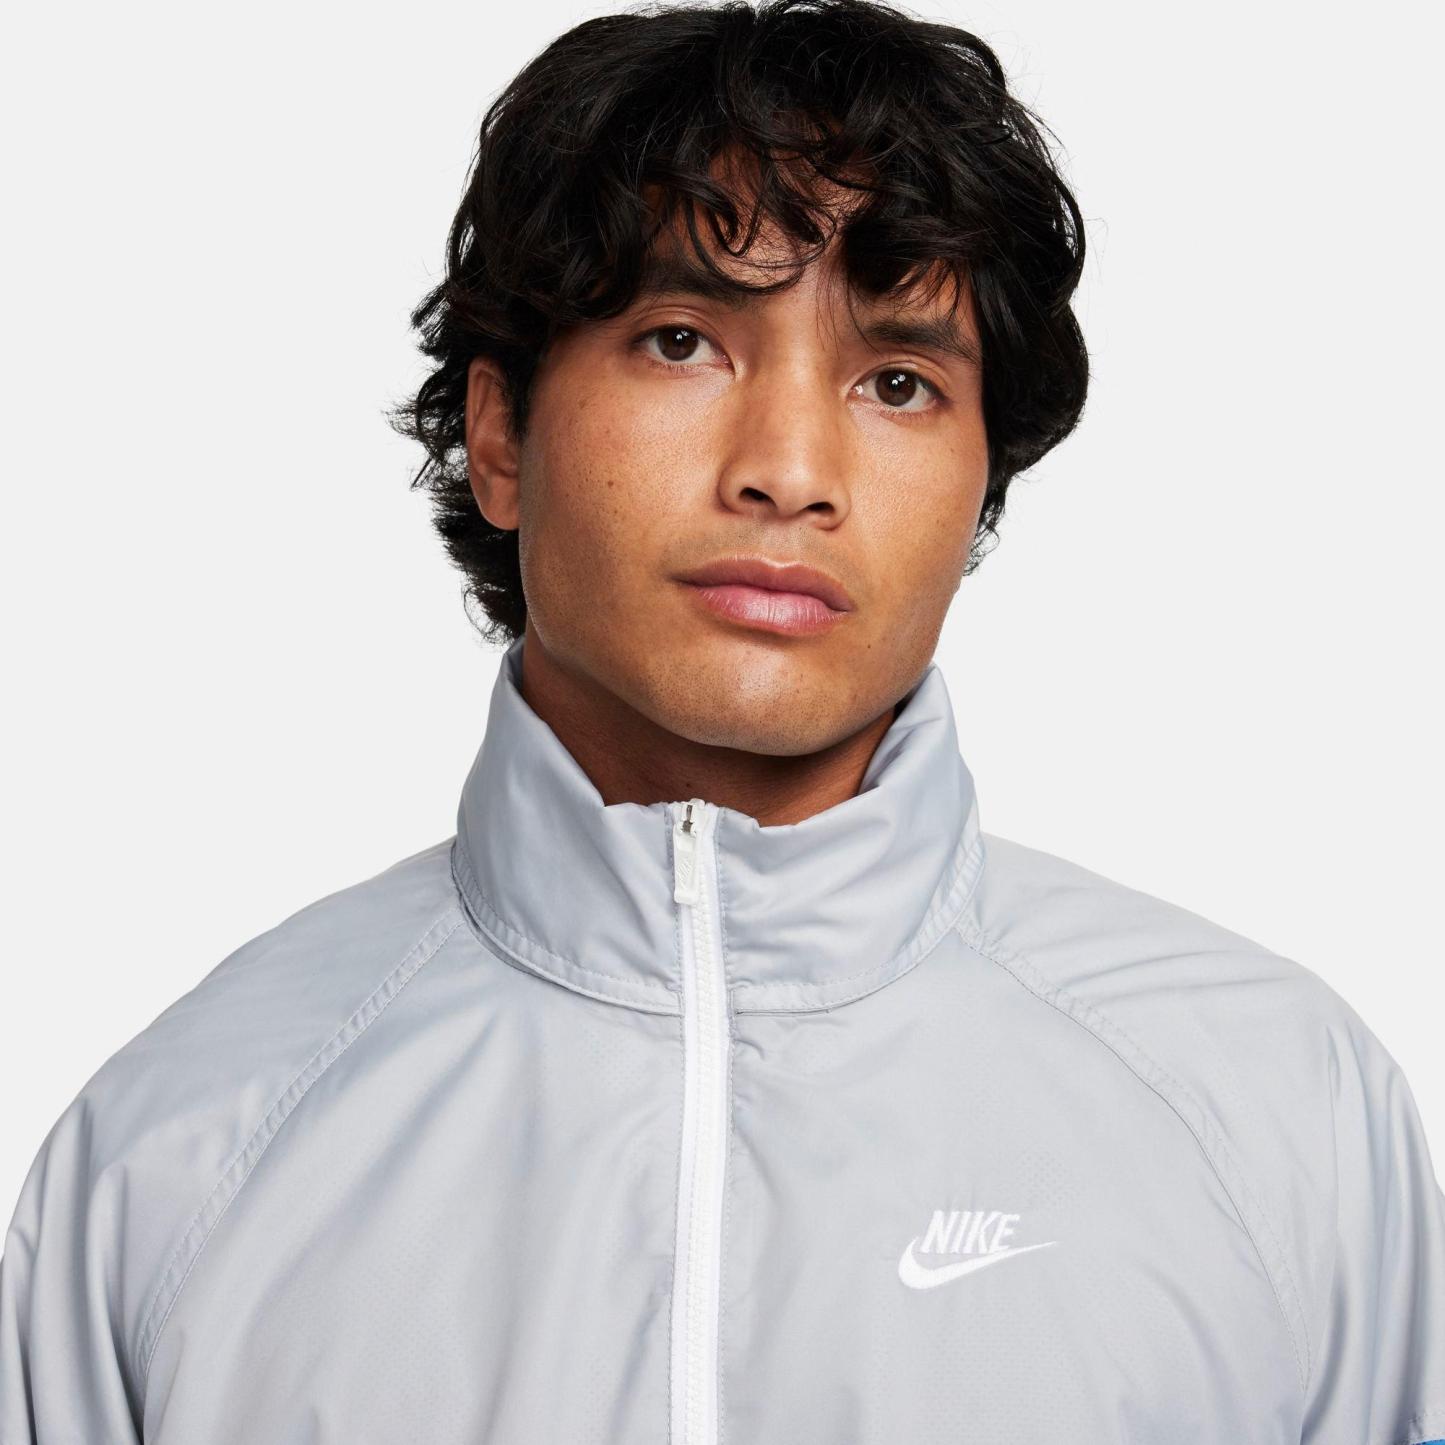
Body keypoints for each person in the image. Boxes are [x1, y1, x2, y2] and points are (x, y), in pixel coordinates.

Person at [3, 0, 1442, 1440]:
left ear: (978, 485)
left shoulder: (1282, 1111)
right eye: (683, 340)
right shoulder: (177, 1154)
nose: (790, 471)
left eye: (897, 382)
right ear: (499, 434)